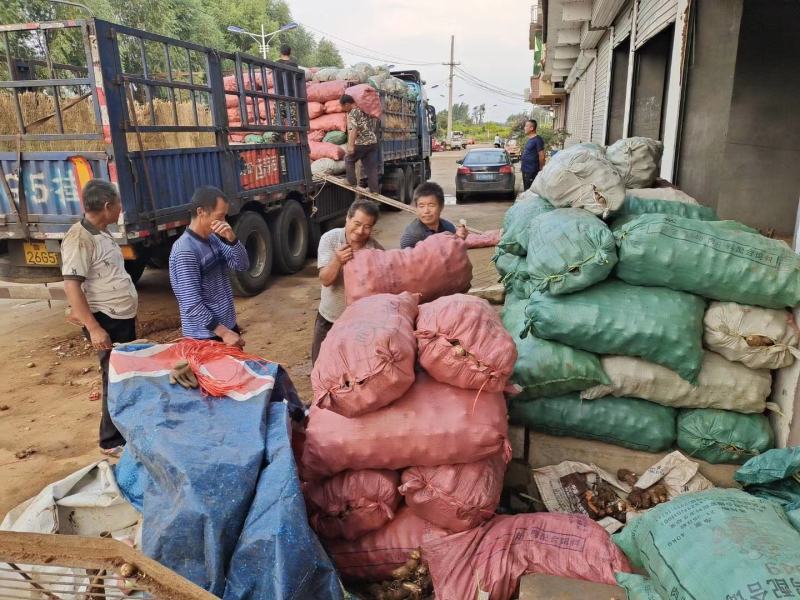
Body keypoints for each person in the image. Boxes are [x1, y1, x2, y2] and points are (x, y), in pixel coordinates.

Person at [61, 179, 138, 458]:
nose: (120, 209)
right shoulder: (79, 238)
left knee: (125, 376)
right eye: (118, 205)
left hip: (120, 316)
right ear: (107, 205)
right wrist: (93, 328)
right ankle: (110, 441)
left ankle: (123, 431)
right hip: (106, 320)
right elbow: (71, 285)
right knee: (114, 379)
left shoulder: (101, 232)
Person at [168, 186, 249, 347]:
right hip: (206, 337)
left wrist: (232, 239)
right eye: (220, 216)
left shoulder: (213, 239)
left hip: (226, 327)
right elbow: (191, 303)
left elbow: (242, 265)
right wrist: (223, 333)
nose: (224, 222)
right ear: (201, 212)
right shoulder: (185, 251)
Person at [312, 199, 383, 364]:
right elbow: (325, 280)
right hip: (329, 318)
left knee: (352, 369)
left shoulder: (376, 251)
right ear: (347, 219)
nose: (360, 231)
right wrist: (337, 261)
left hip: (359, 325)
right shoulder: (330, 239)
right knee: (319, 366)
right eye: (357, 223)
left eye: (367, 226)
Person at [400, 181, 467, 249]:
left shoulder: (449, 228)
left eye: (431, 205)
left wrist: (458, 239)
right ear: (416, 208)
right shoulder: (411, 236)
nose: (426, 211)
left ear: (441, 206)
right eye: (421, 206)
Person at [341, 94, 380, 194]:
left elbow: (353, 130)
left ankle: (351, 181)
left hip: (362, 143)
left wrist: (350, 146)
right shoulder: (364, 110)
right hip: (373, 142)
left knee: (348, 159)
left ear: (347, 104)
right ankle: (374, 190)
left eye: (343, 106)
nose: (343, 109)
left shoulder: (353, 113)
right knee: (371, 168)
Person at [520, 118, 546, 191]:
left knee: (530, 191)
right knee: (526, 190)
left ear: (531, 128)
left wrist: (541, 169)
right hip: (526, 170)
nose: (524, 128)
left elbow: (542, 156)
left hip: (532, 170)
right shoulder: (530, 139)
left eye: (526, 126)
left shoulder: (538, 140)